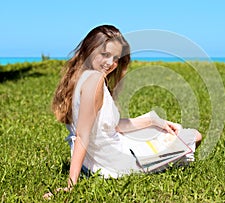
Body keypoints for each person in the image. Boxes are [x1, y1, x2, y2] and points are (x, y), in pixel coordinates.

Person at [48, 25, 202, 195]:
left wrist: (152, 120)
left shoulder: (80, 77)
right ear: (89, 49)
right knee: (194, 136)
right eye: (105, 55)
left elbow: (105, 126)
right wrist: (71, 185)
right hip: (116, 163)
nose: (111, 63)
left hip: (95, 160)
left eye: (115, 58)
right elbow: (82, 136)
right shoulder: (95, 81)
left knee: (170, 129)